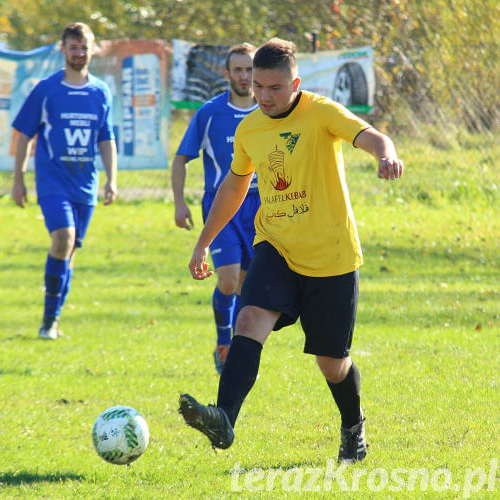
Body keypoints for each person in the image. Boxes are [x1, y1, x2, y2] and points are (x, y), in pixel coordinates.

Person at [178, 38, 404, 463]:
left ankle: (353, 426)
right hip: (276, 245)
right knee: (248, 317)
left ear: (295, 83)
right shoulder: (250, 128)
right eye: (258, 87)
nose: (263, 96)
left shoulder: (320, 112)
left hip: (331, 256)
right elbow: (234, 186)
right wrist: (203, 242)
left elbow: (371, 136)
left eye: (273, 88)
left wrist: (385, 155)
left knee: (331, 363)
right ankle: (224, 417)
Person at [11, 22, 117, 340]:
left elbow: (105, 137)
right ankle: (48, 321)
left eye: (84, 47)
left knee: (69, 252)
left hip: (84, 184)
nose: (79, 53)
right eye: (73, 47)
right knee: (63, 239)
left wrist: (112, 179)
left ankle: (53, 320)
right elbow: (24, 135)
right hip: (52, 181)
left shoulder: (101, 91)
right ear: (63, 49)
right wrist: (18, 178)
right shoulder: (47, 89)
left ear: (92, 49)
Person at [171, 43, 260, 375]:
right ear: (226, 74)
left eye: (250, 68)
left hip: (260, 208)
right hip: (222, 206)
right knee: (227, 281)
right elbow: (181, 158)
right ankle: (224, 344)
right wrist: (180, 203)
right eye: (238, 69)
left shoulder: (267, 112)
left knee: (246, 288)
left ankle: (238, 350)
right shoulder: (209, 113)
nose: (244, 75)